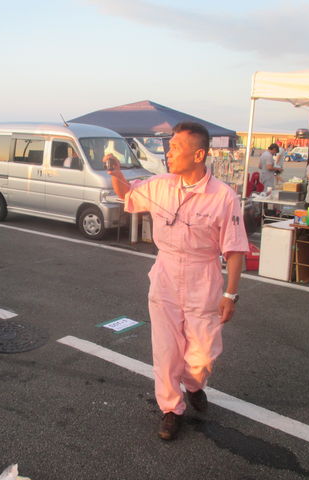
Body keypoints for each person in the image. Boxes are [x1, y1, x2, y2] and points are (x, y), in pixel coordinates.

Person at [105, 122, 248, 441]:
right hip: (166, 272)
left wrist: (230, 294)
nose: (168, 154)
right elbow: (127, 195)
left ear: (198, 155)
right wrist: (116, 173)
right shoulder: (160, 184)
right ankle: (171, 408)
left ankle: (194, 385)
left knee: (203, 354)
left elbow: (236, 249)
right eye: (168, 148)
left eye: (175, 148)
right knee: (166, 350)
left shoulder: (223, 197)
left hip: (203, 275)